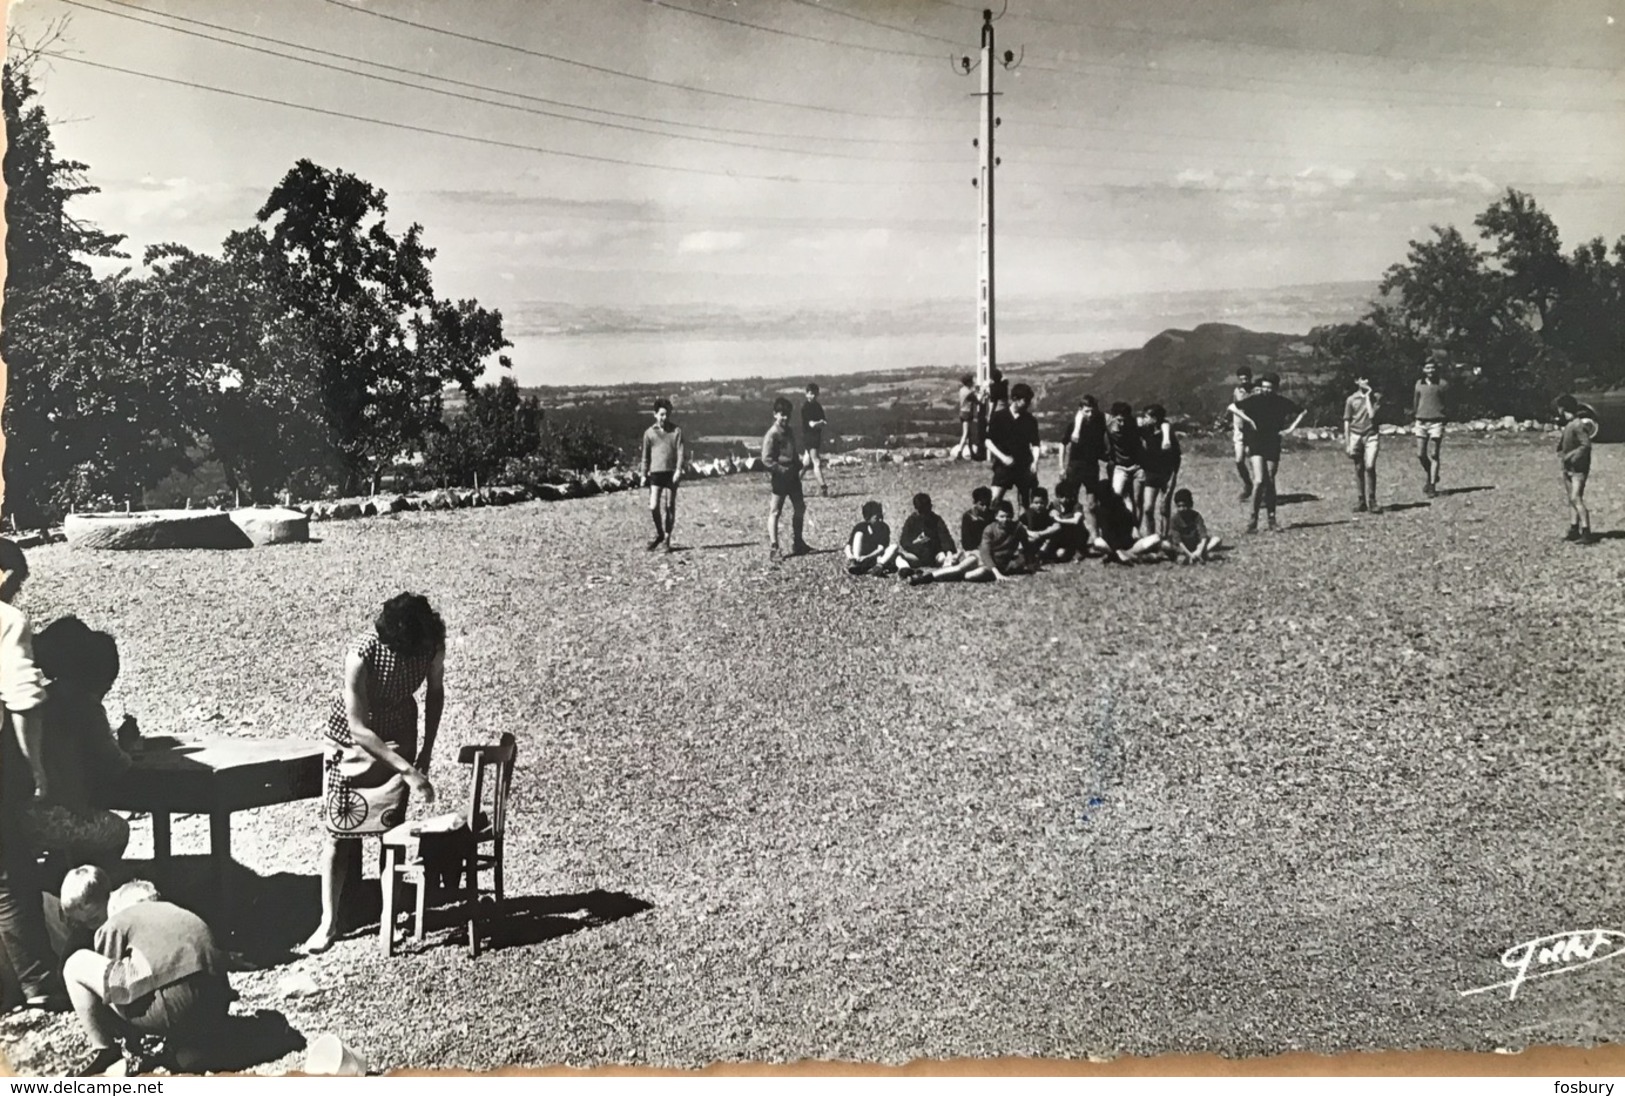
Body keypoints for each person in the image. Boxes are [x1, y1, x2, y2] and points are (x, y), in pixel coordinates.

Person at [300, 593, 443, 955]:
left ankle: (389, 917)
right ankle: (328, 921)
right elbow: (359, 729)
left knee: (389, 836)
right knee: (337, 834)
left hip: (398, 738)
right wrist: (410, 771)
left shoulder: (431, 642)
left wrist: (425, 750)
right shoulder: (361, 655)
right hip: (349, 744)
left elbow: (435, 693)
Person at [60, 870, 233, 1076]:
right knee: (187, 1055)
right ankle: (192, 1048)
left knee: (76, 963)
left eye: (92, 920)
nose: (93, 927)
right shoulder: (175, 911)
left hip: (171, 1008)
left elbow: (110, 991)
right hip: (214, 1004)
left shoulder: (115, 922)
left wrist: (127, 1038)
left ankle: (106, 1051)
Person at [0, 537, 66, 1012]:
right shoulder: (8, 621)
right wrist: (35, 767)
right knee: (10, 875)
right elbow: (23, 700)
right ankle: (38, 983)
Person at [28, 618, 134, 869]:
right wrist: (127, 747)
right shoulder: (84, 705)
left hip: (22, 811)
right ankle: (90, 890)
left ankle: (57, 875)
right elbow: (113, 764)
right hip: (54, 815)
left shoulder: (41, 699)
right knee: (117, 830)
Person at [1232, 373, 1306, 534]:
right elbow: (1232, 407)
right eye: (1264, 387)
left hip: (1273, 442)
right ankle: (1253, 520)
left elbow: (1302, 411)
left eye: (1270, 388)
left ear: (1276, 388)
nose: (1266, 390)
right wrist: (1249, 420)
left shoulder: (1281, 402)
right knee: (1259, 481)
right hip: (1256, 442)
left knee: (1270, 480)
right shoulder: (1255, 400)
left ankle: (1272, 519)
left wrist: (1290, 429)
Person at [763, 397, 810, 561]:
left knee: (800, 508)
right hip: (781, 476)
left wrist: (798, 465)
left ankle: (798, 542)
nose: (785, 418)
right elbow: (766, 459)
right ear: (775, 414)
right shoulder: (772, 434)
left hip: (793, 476)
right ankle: (774, 547)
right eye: (781, 414)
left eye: (787, 415)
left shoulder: (789, 431)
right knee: (775, 511)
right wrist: (781, 470)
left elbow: (793, 451)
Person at [640, 398, 686, 552]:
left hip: (671, 473)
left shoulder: (676, 431)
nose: (664, 418)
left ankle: (667, 538)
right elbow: (645, 457)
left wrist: (679, 470)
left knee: (669, 506)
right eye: (661, 415)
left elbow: (680, 452)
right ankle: (660, 533)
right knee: (653, 506)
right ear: (655, 414)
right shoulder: (649, 433)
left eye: (667, 414)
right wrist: (643, 474)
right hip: (656, 474)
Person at [986, 382, 1041, 510]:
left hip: (1024, 465)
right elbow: (988, 441)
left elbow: (1035, 444)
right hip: (1004, 465)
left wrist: (1035, 462)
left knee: (1025, 504)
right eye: (1025, 400)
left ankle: (1024, 528)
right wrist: (1003, 457)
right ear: (1015, 399)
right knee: (994, 501)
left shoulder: (1030, 420)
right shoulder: (999, 417)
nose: (1028, 404)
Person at [1084, 479, 1164, 564]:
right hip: (1113, 547)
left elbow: (1130, 519)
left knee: (1156, 538)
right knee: (1097, 542)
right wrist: (1118, 550)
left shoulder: (1119, 503)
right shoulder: (1102, 511)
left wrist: (1134, 527)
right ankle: (1131, 556)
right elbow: (1108, 536)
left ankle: (1124, 555)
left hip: (1130, 545)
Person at [1555, 394, 1597, 544]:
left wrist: (1571, 456)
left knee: (1575, 497)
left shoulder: (1578, 425)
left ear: (1563, 409)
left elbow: (1585, 445)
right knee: (1571, 498)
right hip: (1569, 467)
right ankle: (1574, 528)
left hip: (1578, 468)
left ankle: (1586, 531)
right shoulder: (1569, 424)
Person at [884, 493, 957, 577]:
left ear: (930, 507)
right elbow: (904, 541)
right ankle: (905, 568)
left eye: (927, 511)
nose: (925, 515)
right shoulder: (911, 520)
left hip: (934, 555)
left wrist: (949, 553)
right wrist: (916, 542)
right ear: (916, 509)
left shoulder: (936, 520)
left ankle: (947, 569)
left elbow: (945, 538)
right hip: (917, 556)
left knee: (944, 557)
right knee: (898, 556)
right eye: (922, 512)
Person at [1056, 395, 1107, 508]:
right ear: (1080, 410)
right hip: (1075, 466)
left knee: (1092, 504)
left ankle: (1093, 525)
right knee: (1071, 501)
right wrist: (1061, 467)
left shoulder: (1099, 423)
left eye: (1092, 411)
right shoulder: (1074, 425)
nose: (1090, 414)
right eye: (1087, 411)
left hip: (1091, 466)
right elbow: (1062, 444)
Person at [1138, 404, 1181, 537]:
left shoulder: (1167, 433)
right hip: (1151, 473)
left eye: (1147, 416)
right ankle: (1151, 537)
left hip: (1167, 473)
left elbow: (1177, 456)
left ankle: (1164, 536)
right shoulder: (1146, 431)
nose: (1144, 419)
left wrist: (1173, 476)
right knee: (1147, 508)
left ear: (1155, 419)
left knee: (1164, 507)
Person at [1411, 355, 1452, 498]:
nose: (1430, 370)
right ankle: (1431, 473)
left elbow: (1448, 402)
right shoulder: (1419, 384)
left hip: (1437, 421)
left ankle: (1432, 485)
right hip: (1421, 421)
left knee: (1434, 454)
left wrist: (1445, 417)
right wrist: (1415, 415)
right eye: (1427, 367)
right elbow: (1416, 402)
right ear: (1423, 369)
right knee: (1420, 454)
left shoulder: (1442, 384)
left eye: (1432, 367)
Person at [1343, 374, 1383, 514]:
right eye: (1363, 379)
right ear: (1357, 381)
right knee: (1358, 467)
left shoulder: (1376, 398)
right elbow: (1347, 421)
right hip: (1356, 435)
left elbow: (1372, 415)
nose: (1366, 381)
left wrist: (1368, 397)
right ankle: (1361, 500)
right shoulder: (1351, 399)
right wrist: (1348, 443)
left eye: (1368, 378)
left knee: (1370, 466)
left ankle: (1372, 499)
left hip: (1371, 435)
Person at [1103, 402, 1144, 521]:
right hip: (1120, 467)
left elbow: (1163, 423)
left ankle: (1135, 530)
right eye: (1119, 420)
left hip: (1137, 467)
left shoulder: (1135, 424)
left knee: (1137, 500)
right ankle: (1121, 530)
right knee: (1116, 498)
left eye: (1125, 420)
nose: (1122, 423)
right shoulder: (1109, 426)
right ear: (1113, 417)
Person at [1163, 488, 1221, 564]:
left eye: (1184, 506)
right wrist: (1190, 555)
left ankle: (1200, 554)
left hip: (1195, 545)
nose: (1182, 509)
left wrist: (1198, 551)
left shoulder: (1196, 516)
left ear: (1190, 504)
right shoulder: (1174, 520)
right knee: (1165, 544)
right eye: (1179, 506)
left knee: (1217, 540)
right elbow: (1178, 541)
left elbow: (1203, 535)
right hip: (1182, 547)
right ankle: (1192, 556)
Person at [1226, 367, 1257, 501]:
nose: (1244, 381)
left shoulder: (1256, 391)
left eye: (1246, 378)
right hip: (1239, 430)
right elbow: (1233, 406)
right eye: (1241, 379)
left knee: (1253, 458)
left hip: (1252, 430)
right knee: (1239, 460)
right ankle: (1248, 484)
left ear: (1251, 378)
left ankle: (1259, 488)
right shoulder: (1237, 391)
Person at [845, 501, 891, 576]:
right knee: (858, 534)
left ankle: (878, 567)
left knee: (894, 547)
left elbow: (881, 549)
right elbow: (848, 546)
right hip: (861, 556)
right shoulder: (860, 527)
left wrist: (866, 557)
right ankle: (856, 563)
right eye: (877, 518)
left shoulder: (884, 527)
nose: (880, 520)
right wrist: (850, 556)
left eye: (881, 517)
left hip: (876, 556)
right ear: (868, 519)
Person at [799, 383, 830, 497]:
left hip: (816, 437)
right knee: (816, 462)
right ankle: (823, 486)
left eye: (814, 394)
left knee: (806, 463)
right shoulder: (805, 408)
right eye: (810, 393)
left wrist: (820, 423)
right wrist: (820, 423)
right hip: (809, 437)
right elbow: (811, 424)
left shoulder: (817, 406)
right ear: (806, 394)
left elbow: (824, 421)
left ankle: (791, 486)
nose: (812, 396)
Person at [959, 486, 996, 554]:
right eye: (982, 504)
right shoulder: (968, 517)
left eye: (987, 504)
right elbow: (966, 542)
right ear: (975, 502)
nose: (985, 508)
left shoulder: (992, 515)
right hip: (974, 550)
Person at [950, 375, 978, 460]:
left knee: (968, 434)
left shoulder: (962, 390)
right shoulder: (969, 393)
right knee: (965, 434)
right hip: (967, 413)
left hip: (962, 412)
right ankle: (960, 452)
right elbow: (977, 401)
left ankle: (971, 453)